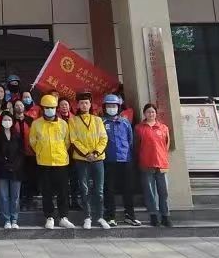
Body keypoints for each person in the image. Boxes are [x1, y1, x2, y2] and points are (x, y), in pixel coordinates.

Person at [29, 94, 74, 229]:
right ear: (43, 109)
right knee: (46, 192)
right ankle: (49, 217)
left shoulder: (63, 124)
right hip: (44, 162)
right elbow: (33, 142)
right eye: (47, 108)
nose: (50, 110)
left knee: (63, 192)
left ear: (56, 108)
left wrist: (59, 152)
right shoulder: (36, 124)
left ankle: (63, 217)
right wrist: (41, 151)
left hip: (61, 162)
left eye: (52, 108)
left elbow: (67, 142)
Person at [69, 91, 109, 230]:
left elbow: (104, 138)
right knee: (84, 189)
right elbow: (74, 140)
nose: (84, 105)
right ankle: (87, 217)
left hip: (98, 159)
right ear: (78, 105)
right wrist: (86, 154)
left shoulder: (97, 120)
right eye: (81, 103)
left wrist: (96, 152)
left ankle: (100, 216)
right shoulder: (73, 120)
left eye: (86, 103)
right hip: (82, 159)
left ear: (90, 104)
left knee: (99, 190)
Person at [102, 94, 141, 227]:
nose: (111, 108)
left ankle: (130, 215)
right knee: (109, 189)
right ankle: (110, 216)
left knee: (128, 188)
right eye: (108, 106)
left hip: (126, 159)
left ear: (118, 107)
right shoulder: (102, 122)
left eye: (114, 106)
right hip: (109, 160)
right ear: (104, 107)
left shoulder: (125, 122)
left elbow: (130, 140)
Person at [136, 103, 172, 227]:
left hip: (161, 164)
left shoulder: (163, 128)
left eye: (153, 112)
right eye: (148, 112)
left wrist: (162, 156)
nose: (151, 114)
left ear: (156, 113)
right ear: (144, 113)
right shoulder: (139, 128)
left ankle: (165, 216)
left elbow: (166, 145)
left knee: (163, 192)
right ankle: (153, 216)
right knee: (150, 192)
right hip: (146, 163)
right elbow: (136, 146)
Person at [0, 111, 24, 229]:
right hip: (2, 169)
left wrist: (15, 165)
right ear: (1, 121)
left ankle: (14, 219)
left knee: (15, 196)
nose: (7, 122)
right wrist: (5, 163)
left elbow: (21, 153)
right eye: (5, 120)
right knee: (4, 196)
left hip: (16, 170)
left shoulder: (17, 135)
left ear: (13, 121)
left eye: (9, 120)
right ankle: (6, 220)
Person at [12, 99, 37, 210]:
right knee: (19, 179)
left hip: (30, 154)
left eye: (21, 105)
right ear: (14, 108)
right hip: (16, 155)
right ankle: (19, 201)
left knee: (31, 178)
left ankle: (29, 201)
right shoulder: (11, 121)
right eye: (16, 105)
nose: (19, 107)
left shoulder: (31, 120)